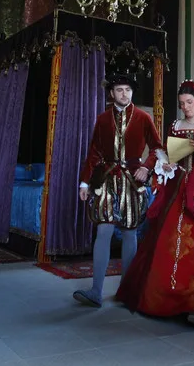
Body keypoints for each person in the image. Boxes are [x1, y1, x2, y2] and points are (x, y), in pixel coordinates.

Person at [116, 80, 194, 330]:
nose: (185, 107)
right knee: (167, 241)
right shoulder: (176, 125)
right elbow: (170, 153)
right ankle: (162, 300)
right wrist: (167, 164)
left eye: (189, 103)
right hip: (178, 188)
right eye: (182, 103)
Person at [74, 74, 161, 308]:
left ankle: (127, 290)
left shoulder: (144, 117)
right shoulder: (102, 119)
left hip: (132, 181)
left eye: (128, 90)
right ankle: (96, 291)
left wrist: (146, 167)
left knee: (130, 232)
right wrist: (84, 183)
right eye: (119, 90)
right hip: (107, 179)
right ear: (112, 93)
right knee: (103, 230)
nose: (124, 94)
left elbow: (157, 149)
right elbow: (93, 152)